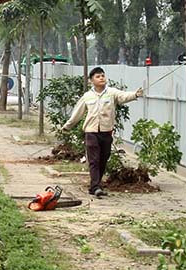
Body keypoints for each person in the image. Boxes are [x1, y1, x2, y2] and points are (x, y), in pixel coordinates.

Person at [61, 67, 144, 197]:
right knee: (94, 159)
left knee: (104, 158)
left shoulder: (111, 93)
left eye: (103, 76)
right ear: (91, 81)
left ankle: (95, 185)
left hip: (106, 132)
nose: (101, 78)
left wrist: (135, 94)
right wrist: (68, 126)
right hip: (91, 132)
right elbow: (78, 112)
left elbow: (123, 96)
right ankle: (96, 187)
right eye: (98, 76)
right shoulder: (87, 96)